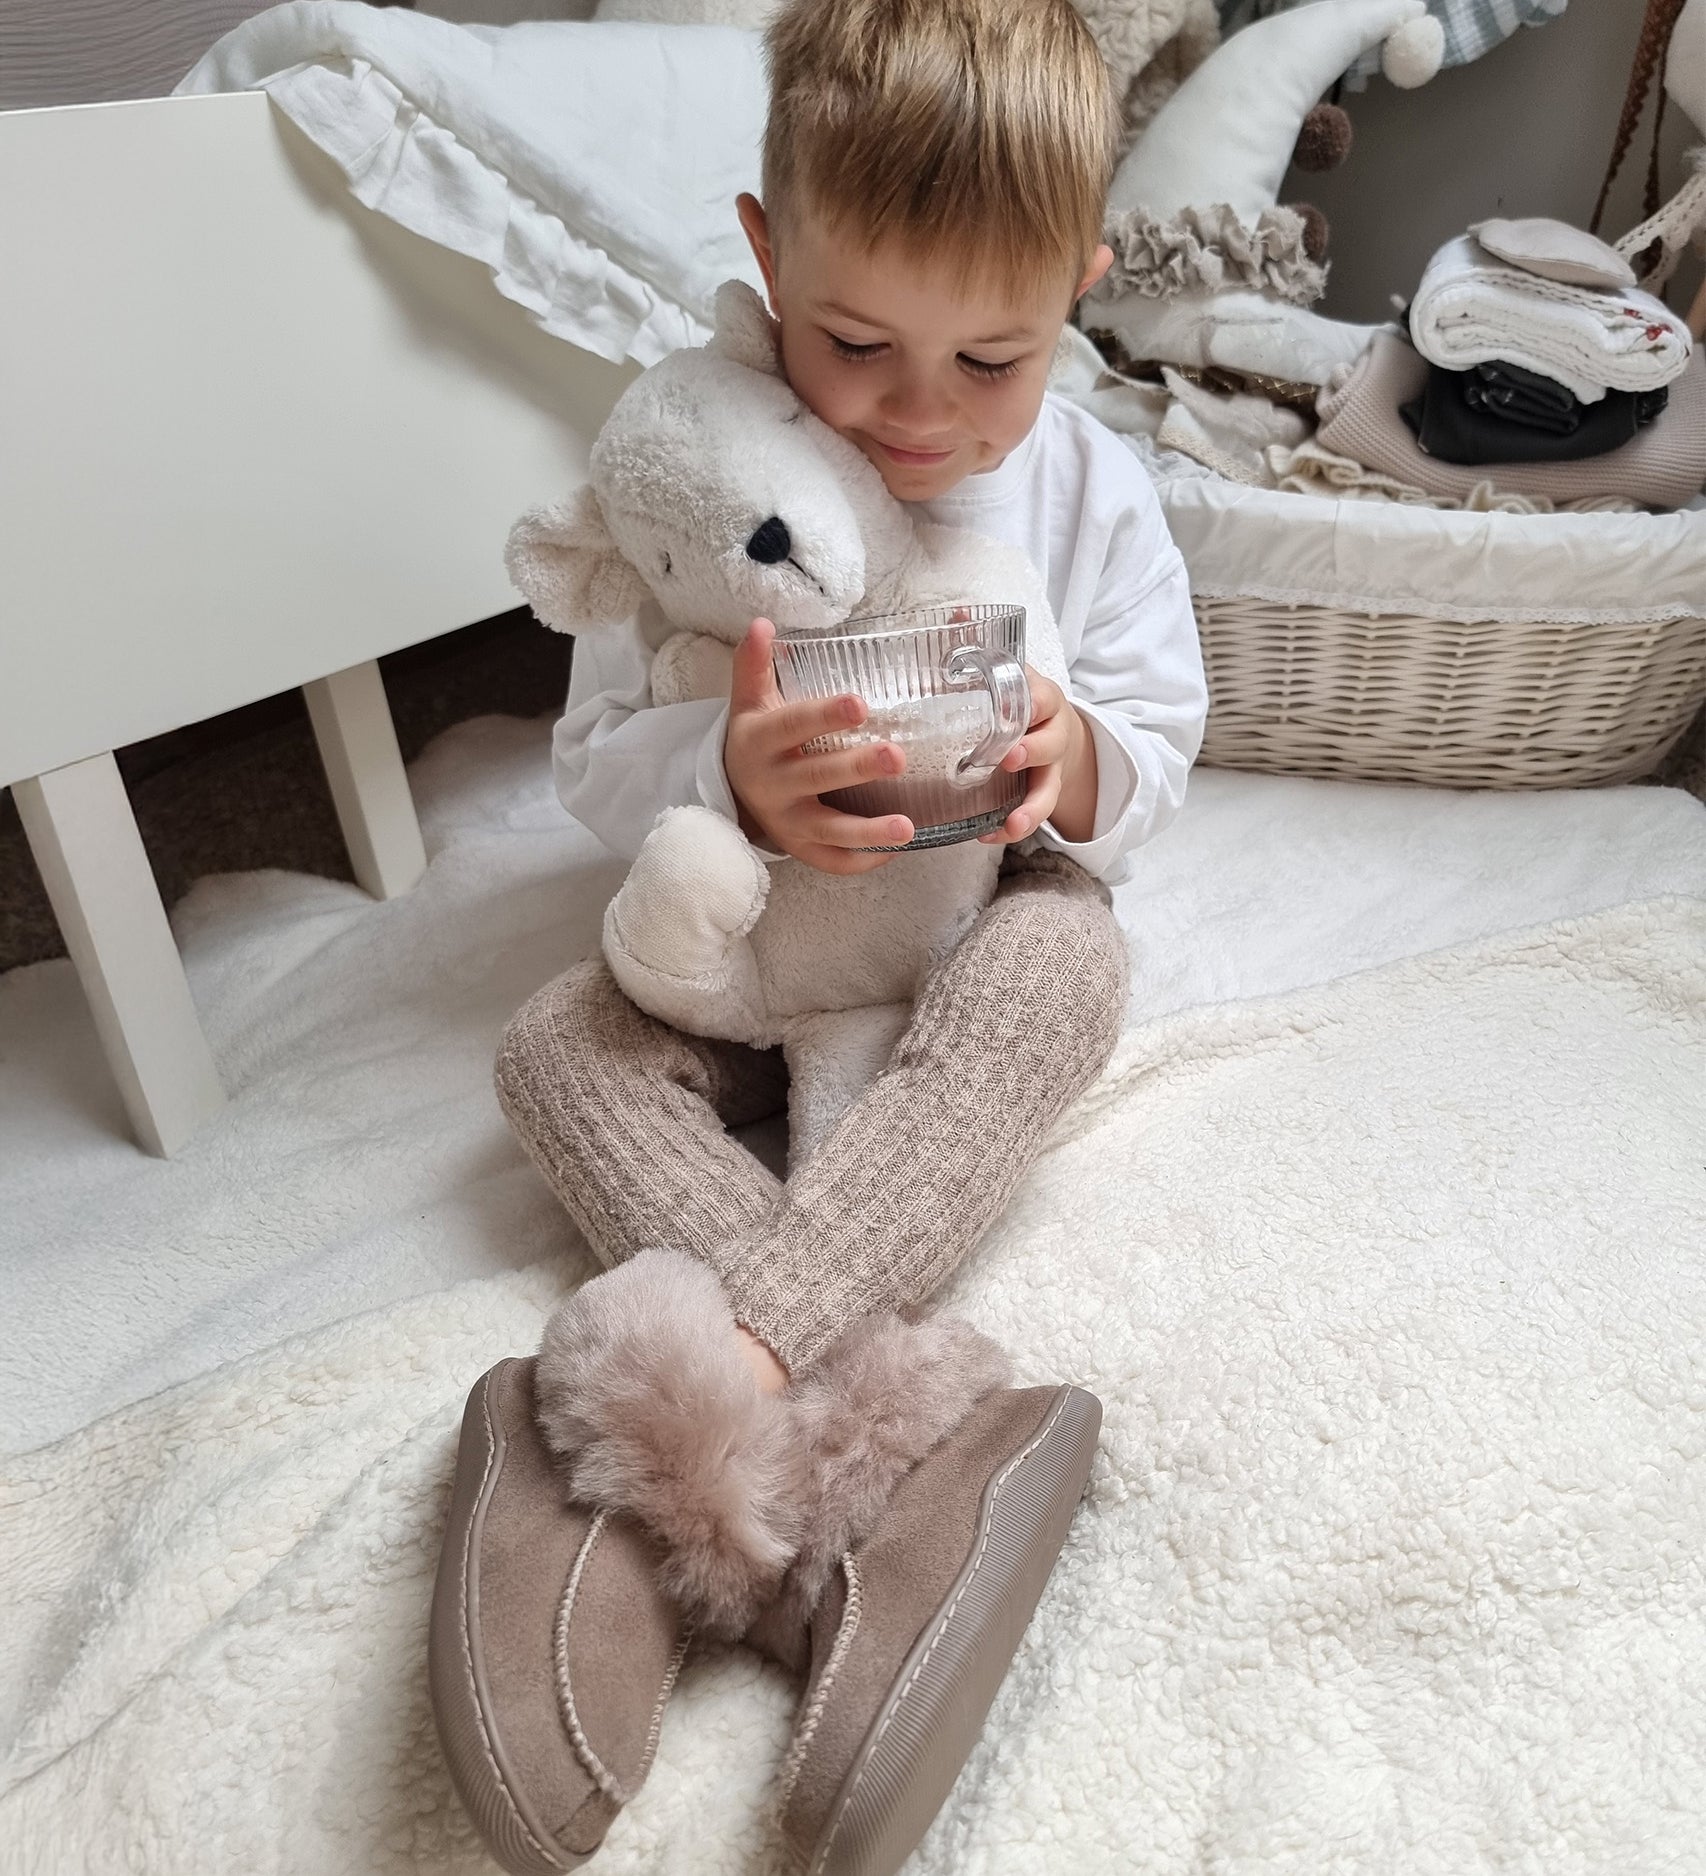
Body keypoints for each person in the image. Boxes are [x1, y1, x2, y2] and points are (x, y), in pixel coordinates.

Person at [428, 2, 1208, 1871]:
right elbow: (592, 757)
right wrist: (728, 769)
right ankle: (906, 1455)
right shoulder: (696, 461)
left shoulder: (1092, 485)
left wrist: (1071, 755)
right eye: (851, 343)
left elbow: (1164, 737)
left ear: (1077, 298)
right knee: (549, 1044)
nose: (918, 416)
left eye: (993, 360)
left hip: (955, 933)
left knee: (1070, 958)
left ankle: (647, 1436)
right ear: (765, 254)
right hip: (742, 933)